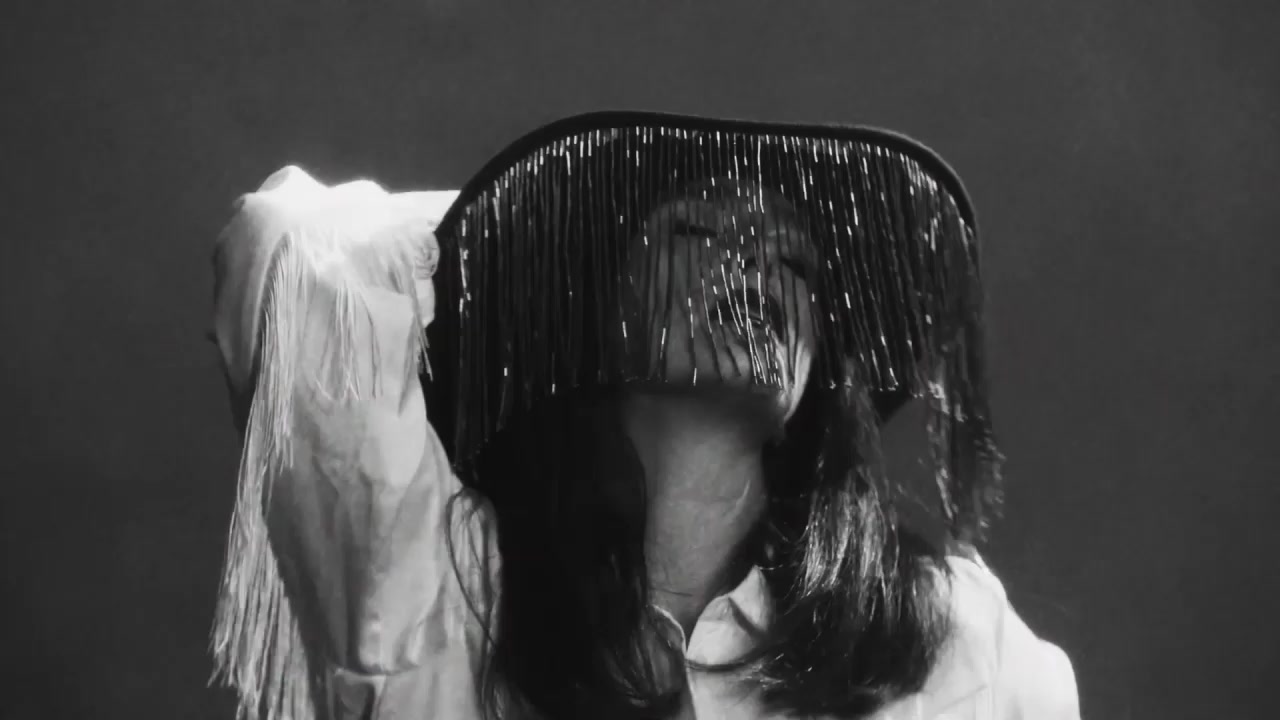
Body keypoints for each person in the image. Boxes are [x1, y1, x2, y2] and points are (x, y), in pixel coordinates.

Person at [208, 112, 1080, 719]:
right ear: (603, 320)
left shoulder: (947, 638)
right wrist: (507, 241)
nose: (753, 263)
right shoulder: (444, 586)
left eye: (792, 262)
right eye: (698, 236)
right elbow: (288, 249)